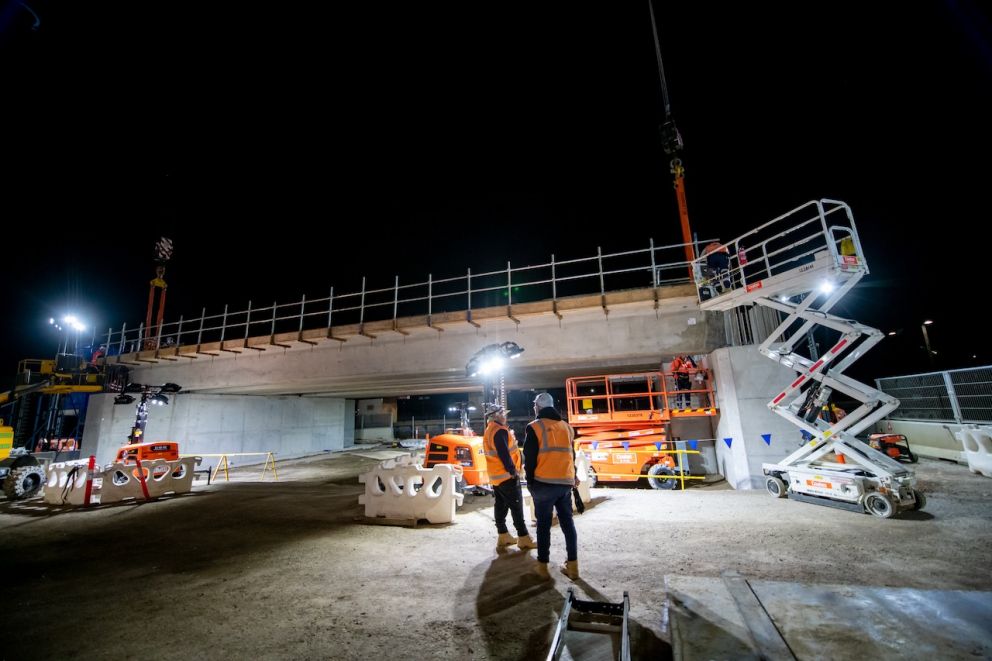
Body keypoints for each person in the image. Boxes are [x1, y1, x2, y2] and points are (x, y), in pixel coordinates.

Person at [523, 392, 579, 580]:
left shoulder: (535, 427)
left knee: (543, 525)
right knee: (567, 523)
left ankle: (542, 566)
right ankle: (573, 566)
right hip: (565, 483)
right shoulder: (567, 427)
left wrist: (530, 482)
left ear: (538, 407)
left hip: (544, 483)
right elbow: (571, 455)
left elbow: (529, 459)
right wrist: (575, 475)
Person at [482, 405, 536, 552]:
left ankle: (503, 534)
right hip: (506, 476)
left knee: (500, 505)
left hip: (496, 476)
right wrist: (512, 471)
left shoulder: (490, 429)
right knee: (516, 507)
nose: (504, 416)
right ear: (496, 416)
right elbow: (504, 453)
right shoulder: (499, 431)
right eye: (502, 414)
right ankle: (523, 538)